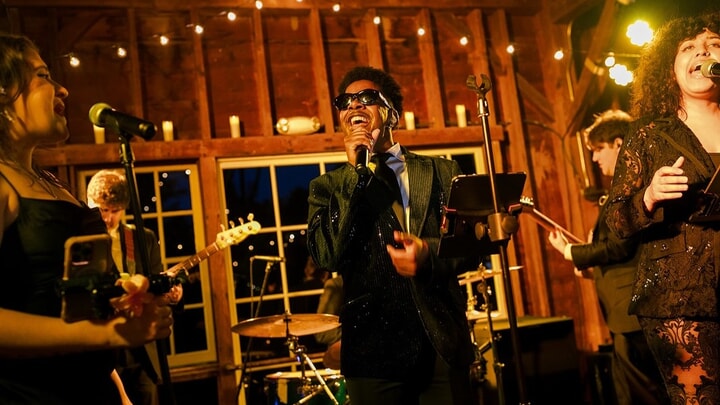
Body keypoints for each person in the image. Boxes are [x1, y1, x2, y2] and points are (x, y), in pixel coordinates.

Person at [0, 33, 173, 404]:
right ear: (3, 90)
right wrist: (109, 334)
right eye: (43, 76)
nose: (62, 89)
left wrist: (120, 298)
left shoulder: (47, 181)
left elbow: (59, 298)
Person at [307, 66, 476, 404]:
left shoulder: (442, 171)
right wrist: (355, 175)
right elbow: (327, 255)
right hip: (372, 355)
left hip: (441, 345)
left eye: (367, 97)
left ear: (392, 114)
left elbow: (471, 247)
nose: (354, 105)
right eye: (345, 102)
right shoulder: (327, 187)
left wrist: (427, 254)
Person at [604, 12, 720, 405]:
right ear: (669, 70)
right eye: (689, 47)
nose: (702, 52)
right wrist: (649, 197)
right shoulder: (648, 134)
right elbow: (616, 220)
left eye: (714, 45)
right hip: (679, 296)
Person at [548, 110, 668, 405]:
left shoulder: (635, 187)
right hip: (623, 315)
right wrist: (591, 270)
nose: (594, 158)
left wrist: (570, 252)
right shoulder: (621, 189)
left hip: (634, 312)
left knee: (646, 395)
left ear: (618, 143)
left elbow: (619, 247)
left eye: (598, 149)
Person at [87, 169, 181, 405]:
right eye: (103, 210)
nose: (108, 218)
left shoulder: (142, 238)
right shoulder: (84, 243)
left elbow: (156, 285)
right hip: (104, 348)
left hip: (142, 350)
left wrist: (171, 293)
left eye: (115, 211)